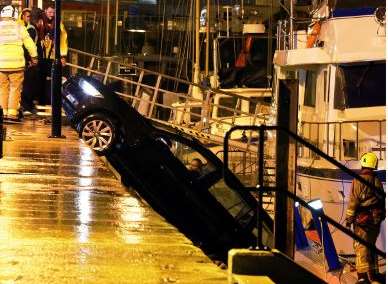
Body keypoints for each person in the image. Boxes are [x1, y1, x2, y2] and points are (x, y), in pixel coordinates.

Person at [345, 152, 385, 284]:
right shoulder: (377, 180)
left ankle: (363, 277)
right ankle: (373, 276)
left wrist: (349, 219)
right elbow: (381, 199)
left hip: (362, 220)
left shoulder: (358, 180)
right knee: (371, 246)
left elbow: (353, 202)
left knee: (360, 247)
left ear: (363, 164)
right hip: (375, 220)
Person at [0, 5, 37, 121]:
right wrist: (34, 57)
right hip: (17, 64)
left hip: (1, 64)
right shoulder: (19, 27)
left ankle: (2, 112)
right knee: (15, 89)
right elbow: (29, 43)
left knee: (2, 88)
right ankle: (12, 114)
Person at [39, 4, 68, 105]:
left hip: (53, 56)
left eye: (53, 12)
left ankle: (51, 100)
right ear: (45, 11)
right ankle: (42, 100)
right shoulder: (40, 21)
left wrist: (63, 56)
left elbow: (63, 40)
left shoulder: (58, 23)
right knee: (42, 78)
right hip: (41, 56)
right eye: (49, 12)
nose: (51, 14)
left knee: (53, 79)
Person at [20, 8, 39, 114]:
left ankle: (27, 105)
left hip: (28, 61)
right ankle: (27, 105)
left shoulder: (30, 28)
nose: (29, 18)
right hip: (26, 60)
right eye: (27, 16)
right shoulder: (25, 28)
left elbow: (28, 46)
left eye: (30, 16)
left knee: (28, 84)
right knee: (27, 84)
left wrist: (31, 59)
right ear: (23, 17)